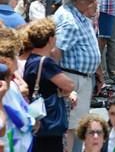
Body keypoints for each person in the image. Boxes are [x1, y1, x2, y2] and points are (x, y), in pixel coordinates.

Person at [52, 0, 103, 151]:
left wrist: (98, 72)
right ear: (79, 0)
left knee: (78, 127)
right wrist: (61, 83)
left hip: (81, 78)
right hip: (73, 79)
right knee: (72, 129)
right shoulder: (69, 21)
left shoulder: (77, 15)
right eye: (89, 0)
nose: (92, 3)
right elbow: (55, 54)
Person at [23, 18, 76, 152]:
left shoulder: (31, 59)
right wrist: (63, 92)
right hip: (49, 124)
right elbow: (69, 85)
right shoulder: (46, 63)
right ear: (50, 39)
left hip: (37, 121)